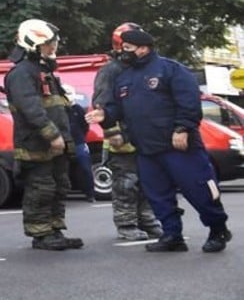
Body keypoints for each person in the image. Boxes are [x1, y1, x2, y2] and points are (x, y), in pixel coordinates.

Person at [93, 27, 231, 253]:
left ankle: (218, 229)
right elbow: (118, 109)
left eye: (128, 48)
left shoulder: (171, 70)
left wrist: (183, 128)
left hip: (178, 145)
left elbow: (189, 103)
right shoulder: (124, 78)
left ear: (143, 48)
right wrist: (105, 115)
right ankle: (172, 235)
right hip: (146, 148)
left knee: (199, 189)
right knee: (158, 195)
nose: (123, 53)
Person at [4, 19, 81, 252]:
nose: (53, 46)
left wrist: (65, 139)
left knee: (59, 186)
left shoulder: (44, 71)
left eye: (54, 42)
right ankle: (41, 233)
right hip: (36, 144)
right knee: (41, 188)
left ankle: (54, 229)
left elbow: (57, 109)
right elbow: (31, 109)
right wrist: (52, 135)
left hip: (54, 143)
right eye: (48, 43)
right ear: (33, 44)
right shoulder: (21, 74)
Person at [91, 23, 161, 240]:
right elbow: (101, 105)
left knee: (148, 181)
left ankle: (147, 221)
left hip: (145, 139)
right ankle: (127, 224)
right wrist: (112, 133)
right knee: (126, 184)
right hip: (122, 139)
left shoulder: (143, 69)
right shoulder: (111, 71)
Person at [64, 85, 95, 202]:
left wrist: (81, 138)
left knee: (86, 168)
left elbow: (85, 126)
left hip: (79, 143)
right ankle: (62, 194)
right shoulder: (59, 110)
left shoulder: (78, 109)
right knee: (62, 170)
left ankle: (90, 194)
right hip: (64, 144)